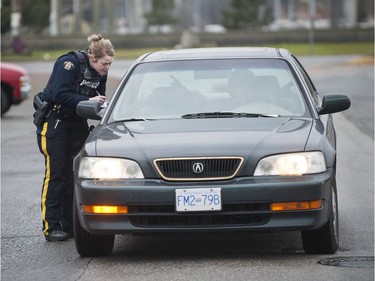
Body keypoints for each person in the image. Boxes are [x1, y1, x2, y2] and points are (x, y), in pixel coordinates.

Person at [35, 34, 115, 242]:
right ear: (93, 57)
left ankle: (69, 225)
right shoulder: (68, 63)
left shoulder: (101, 72)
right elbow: (59, 94)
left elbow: (97, 101)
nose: (107, 68)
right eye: (105, 64)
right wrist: (87, 99)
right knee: (57, 174)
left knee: (74, 174)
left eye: (110, 64)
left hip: (77, 122)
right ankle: (51, 226)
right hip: (55, 121)